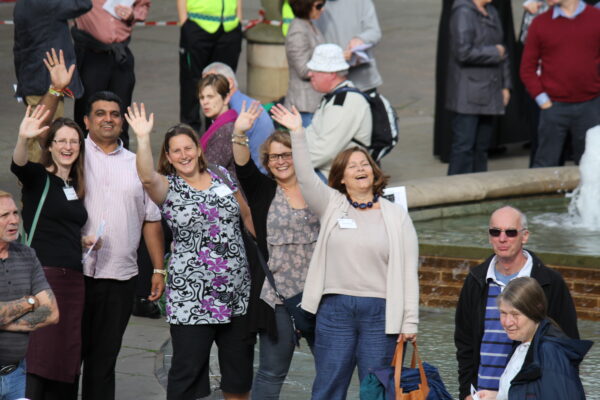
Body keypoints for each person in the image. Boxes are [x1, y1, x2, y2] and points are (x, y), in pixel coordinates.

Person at [271, 104, 419, 400]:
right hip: (335, 310)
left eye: (364, 164)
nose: (360, 169)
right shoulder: (331, 205)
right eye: (352, 166)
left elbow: (408, 272)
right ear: (341, 178)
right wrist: (298, 134)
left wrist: (410, 321)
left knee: (376, 388)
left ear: (374, 172)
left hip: (381, 313)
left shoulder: (396, 215)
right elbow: (305, 177)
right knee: (329, 385)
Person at [126, 103, 254, 400]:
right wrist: (143, 138)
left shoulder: (222, 174)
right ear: (168, 157)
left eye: (188, 148)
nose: (184, 155)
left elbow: (246, 216)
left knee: (238, 376)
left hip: (236, 296)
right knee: (187, 375)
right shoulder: (167, 187)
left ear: (198, 149)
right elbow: (146, 177)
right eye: (176, 151)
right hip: (192, 300)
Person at [80, 91, 165, 400]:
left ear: (122, 121)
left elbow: (152, 219)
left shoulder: (136, 164)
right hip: (76, 274)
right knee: (68, 357)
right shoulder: (72, 154)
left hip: (120, 276)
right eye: (100, 113)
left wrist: (158, 268)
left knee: (104, 361)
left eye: (114, 114)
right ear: (87, 120)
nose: (108, 119)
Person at [232, 103, 320, 398]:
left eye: (287, 155)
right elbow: (243, 167)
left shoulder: (315, 188)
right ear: (267, 163)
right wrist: (239, 131)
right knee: (271, 372)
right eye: (274, 157)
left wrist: (298, 132)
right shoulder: (263, 191)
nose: (281, 161)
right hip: (279, 297)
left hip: (320, 294)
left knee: (332, 369)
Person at [11, 106, 96, 399]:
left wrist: (81, 241)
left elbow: (60, 224)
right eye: (61, 140)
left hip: (73, 282)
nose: (68, 147)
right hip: (44, 279)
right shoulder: (39, 178)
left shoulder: (72, 186)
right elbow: (19, 164)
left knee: (65, 358)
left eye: (74, 141)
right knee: (38, 355)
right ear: (50, 146)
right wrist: (23, 138)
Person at [454, 206, 579, 400]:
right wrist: (466, 391)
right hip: (482, 393)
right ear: (489, 236)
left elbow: (567, 344)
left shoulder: (549, 282)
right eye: (495, 232)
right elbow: (464, 342)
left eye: (510, 232)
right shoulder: (475, 280)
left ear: (525, 236)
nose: (502, 238)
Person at [476, 277, 592, 400]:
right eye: (503, 313)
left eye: (515, 314)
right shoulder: (523, 345)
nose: (507, 322)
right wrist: (497, 397)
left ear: (535, 311)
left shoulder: (550, 352)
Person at [520, 0, 600, 167]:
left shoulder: (596, 18)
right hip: (553, 107)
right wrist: (543, 101)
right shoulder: (540, 23)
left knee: (592, 165)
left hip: (591, 106)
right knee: (545, 165)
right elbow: (527, 68)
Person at [0, 190, 59, 400]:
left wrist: (7, 318)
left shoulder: (26, 255)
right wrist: (31, 301)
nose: (14, 220)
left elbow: (51, 312)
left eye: (15, 213)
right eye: (4, 215)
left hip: (16, 373)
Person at [72, 0, 151, 149]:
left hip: (120, 54)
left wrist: (133, 14)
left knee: (121, 116)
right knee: (87, 116)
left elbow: (143, 4)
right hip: (91, 54)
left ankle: (121, 164)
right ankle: (83, 165)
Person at [445, 0, 511, 175]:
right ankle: (457, 191)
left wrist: (506, 86)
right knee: (464, 145)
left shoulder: (491, 12)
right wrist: (494, 52)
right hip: (468, 93)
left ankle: (480, 189)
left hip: (490, 91)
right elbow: (463, 52)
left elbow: (504, 51)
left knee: (481, 147)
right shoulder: (463, 13)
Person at [13, 0, 91, 119]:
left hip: (31, 81)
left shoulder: (20, 4)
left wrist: (22, 86)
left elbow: (18, 49)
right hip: (49, 84)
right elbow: (83, 4)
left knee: (39, 130)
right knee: (47, 132)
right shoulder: (49, 3)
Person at [303, 43, 372, 179]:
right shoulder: (335, 97)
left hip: (332, 176)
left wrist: (294, 165)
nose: (310, 74)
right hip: (326, 170)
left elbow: (324, 152)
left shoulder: (345, 102)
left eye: (315, 70)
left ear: (331, 74)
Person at [178, 0, 243, 133]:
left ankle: (217, 133)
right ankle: (190, 136)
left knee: (223, 85)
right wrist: (184, 22)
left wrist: (239, 17)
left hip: (229, 27)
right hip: (197, 25)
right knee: (192, 84)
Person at [202, 62, 275, 174]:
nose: (206, 87)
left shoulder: (236, 113)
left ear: (229, 83)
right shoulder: (240, 104)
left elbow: (212, 169)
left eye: (213, 80)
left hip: (254, 176)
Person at [314, 0, 382, 93]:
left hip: (363, 81)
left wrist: (360, 40)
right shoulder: (315, 5)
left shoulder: (361, 2)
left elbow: (374, 32)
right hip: (333, 84)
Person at [284, 0, 325, 127]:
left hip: (314, 102)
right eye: (318, 6)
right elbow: (303, 70)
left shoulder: (309, 25)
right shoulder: (298, 31)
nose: (322, 9)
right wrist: (330, 63)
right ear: (306, 6)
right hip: (304, 105)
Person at [198, 74, 238, 180]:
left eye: (210, 96)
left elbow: (210, 170)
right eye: (202, 97)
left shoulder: (225, 130)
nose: (204, 102)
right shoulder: (221, 124)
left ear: (226, 98)